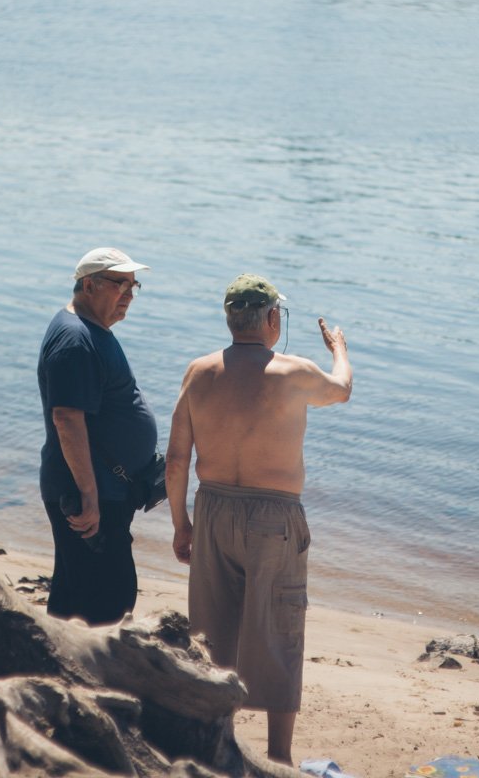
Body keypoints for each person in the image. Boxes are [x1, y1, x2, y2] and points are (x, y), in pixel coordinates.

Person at [166, 274, 353, 765]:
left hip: (212, 508)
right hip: (274, 514)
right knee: (279, 629)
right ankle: (278, 758)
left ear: (231, 319)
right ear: (272, 319)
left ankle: (214, 742)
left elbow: (176, 459)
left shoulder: (197, 372)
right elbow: (341, 390)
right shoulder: (294, 371)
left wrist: (180, 523)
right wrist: (339, 348)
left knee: (211, 631)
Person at [37, 247, 158, 626]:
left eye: (133, 286)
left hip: (104, 490)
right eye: (119, 285)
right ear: (89, 285)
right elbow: (67, 419)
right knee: (108, 600)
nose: (129, 296)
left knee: (78, 593)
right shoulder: (76, 339)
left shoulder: (88, 331)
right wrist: (89, 496)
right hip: (90, 492)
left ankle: (60, 671)